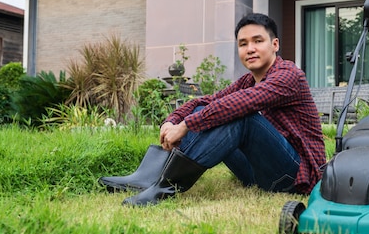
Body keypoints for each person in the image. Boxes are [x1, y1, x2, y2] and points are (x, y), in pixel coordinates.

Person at [99, 13, 327, 207]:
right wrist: (172, 121)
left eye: (258, 41)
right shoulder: (248, 80)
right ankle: (148, 177)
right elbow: (207, 101)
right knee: (206, 108)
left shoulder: (289, 75)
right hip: (259, 173)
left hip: (295, 176)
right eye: (243, 43)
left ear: (275, 45)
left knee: (240, 115)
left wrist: (186, 126)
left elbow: (242, 103)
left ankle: (166, 187)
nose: (250, 49)